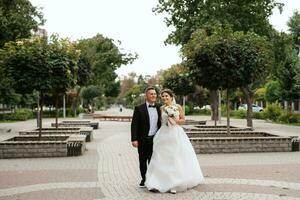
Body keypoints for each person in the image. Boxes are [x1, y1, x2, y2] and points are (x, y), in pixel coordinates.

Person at [145, 89, 204, 194]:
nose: (164, 98)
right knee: (161, 158)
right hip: (163, 134)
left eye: (166, 96)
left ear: (171, 97)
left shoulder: (178, 107)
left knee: (175, 157)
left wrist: (174, 119)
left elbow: (183, 120)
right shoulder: (162, 108)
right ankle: (158, 182)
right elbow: (160, 121)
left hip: (175, 133)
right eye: (162, 96)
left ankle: (175, 184)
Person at [131, 86, 161, 188]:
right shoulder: (139, 108)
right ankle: (144, 178)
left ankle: (152, 179)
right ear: (146, 96)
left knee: (153, 160)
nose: (154, 95)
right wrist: (134, 139)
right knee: (143, 160)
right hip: (142, 139)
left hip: (155, 139)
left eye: (155, 94)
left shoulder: (159, 107)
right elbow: (134, 124)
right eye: (151, 94)